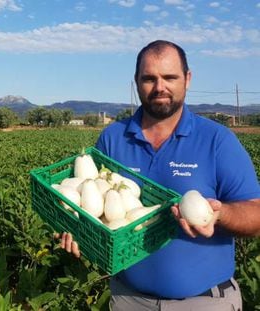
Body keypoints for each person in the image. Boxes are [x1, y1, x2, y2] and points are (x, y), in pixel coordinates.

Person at [57, 40, 260, 310]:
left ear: (187, 79)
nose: (159, 87)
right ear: (137, 82)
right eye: (149, 79)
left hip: (203, 303)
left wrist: (220, 214)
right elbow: (95, 210)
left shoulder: (217, 140)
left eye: (169, 77)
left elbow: (256, 216)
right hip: (128, 299)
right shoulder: (112, 138)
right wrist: (79, 232)